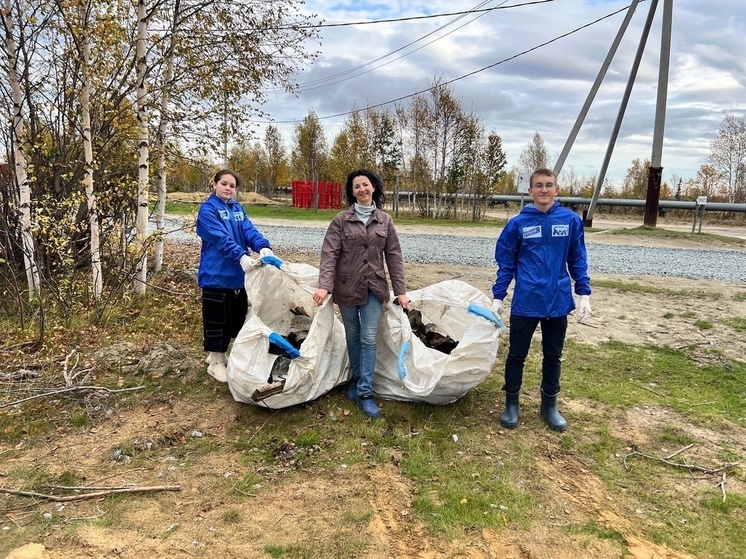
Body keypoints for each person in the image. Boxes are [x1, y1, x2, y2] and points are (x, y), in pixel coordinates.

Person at [491, 167, 591, 432]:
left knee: (552, 356)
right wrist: (498, 298)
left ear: (557, 189)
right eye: (539, 185)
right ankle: (511, 403)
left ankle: (549, 405)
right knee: (516, 355)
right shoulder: (517, 224)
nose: (544, 190)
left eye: (549, 185)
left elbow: (577, 258)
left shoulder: (569, 221)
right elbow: (506, 263)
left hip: (557, 301)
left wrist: (583, 293)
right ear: (530, 191)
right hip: (526, 301)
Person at [312, 169, 411, 419]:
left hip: (374, 288)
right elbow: (329, 254)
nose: (361, 189)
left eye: (365, 185)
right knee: (353, 336)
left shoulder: (385, 221)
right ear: (352, 192)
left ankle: (365, 393)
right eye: (356, 186)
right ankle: (357, 381)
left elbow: (394, 257)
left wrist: (401, 291)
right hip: (346, 287)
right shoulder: (341, 221)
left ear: (373, 188)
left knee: (368, 337)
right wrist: (325, 285)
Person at [196, 169, 274, 382]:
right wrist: (240, 255)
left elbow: (248, 230)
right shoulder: (208, 210)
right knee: (216, 319)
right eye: (224, 184)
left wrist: (263, 246)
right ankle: (214, 361)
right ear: (215, 184)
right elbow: (220, 238)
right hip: (216, 275)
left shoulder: (237, 209)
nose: (228, 188)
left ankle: (220, 354)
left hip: (238, 277)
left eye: (232, 185)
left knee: (234, 318)